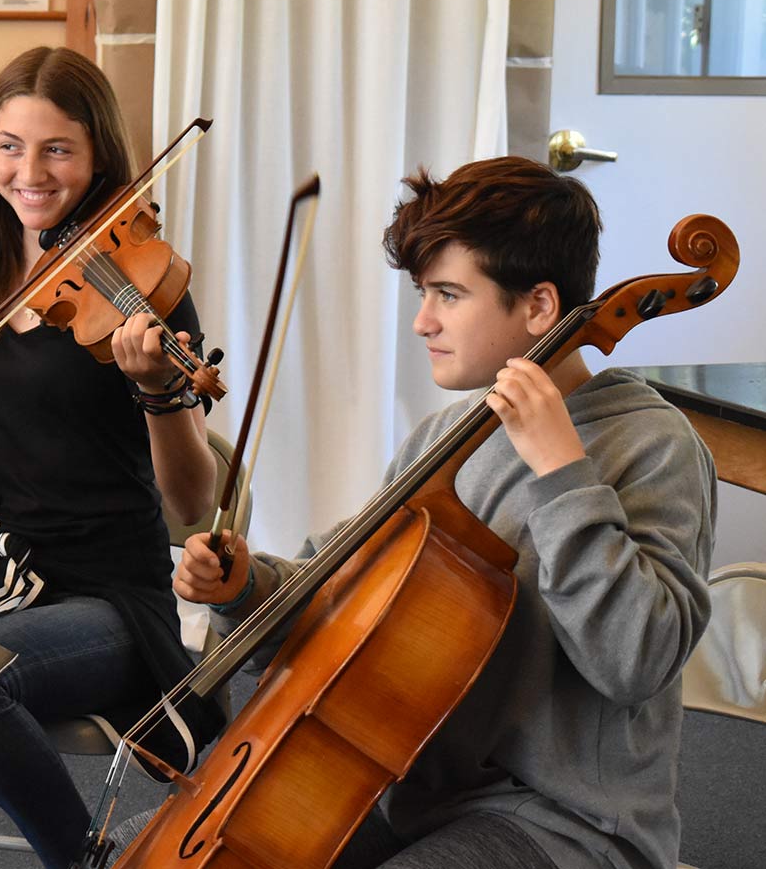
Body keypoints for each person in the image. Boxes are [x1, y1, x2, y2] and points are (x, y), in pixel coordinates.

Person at [173, 157, 717, 869]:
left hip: (569, 822)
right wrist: (246, 586)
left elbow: (635, 660)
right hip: (406, 788)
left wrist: (561, 473)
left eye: (449, 295)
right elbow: (342, 585)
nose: (423, 321)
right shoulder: (447, 438)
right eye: (424, 293)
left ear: (539, 307)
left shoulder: (652, 444)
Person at [0, 47, 224, 869]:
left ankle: (88, 860)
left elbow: (192, 502)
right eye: (9, 145)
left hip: (113, 594)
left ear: (98, 155)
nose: (29, 172)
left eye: (57, 148)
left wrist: (161, 394)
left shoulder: (140, 292)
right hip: (3, 574)